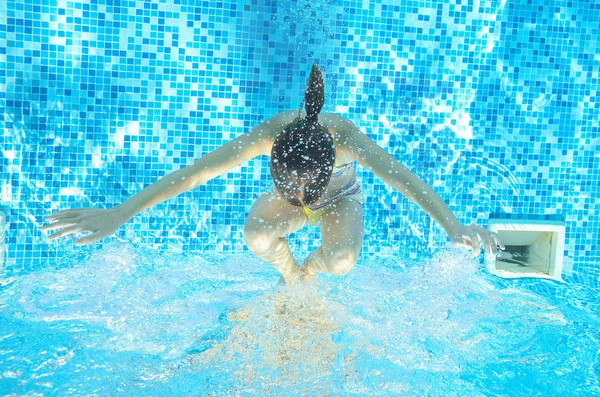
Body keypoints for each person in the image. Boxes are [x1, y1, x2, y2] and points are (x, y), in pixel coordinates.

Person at [42, 64, 504, 283]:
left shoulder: (349, 142)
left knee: (343, 261)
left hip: (339, 199)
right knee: (258, 236)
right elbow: (193, 174)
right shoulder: (268, 134)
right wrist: (121, 213)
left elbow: (406, 181)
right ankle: (291, 274)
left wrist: (452, 225)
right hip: (293, 200)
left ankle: (313, 270)